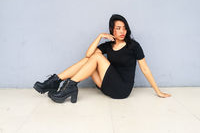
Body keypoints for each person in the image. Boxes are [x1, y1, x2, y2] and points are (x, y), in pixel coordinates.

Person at [33, 14, 171, 103]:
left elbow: (145, 68)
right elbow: (88, 55)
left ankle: (67, 86)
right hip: (106, 87)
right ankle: (56, 81)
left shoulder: (133, 46)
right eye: (118, 28)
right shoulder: (108, 46)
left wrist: (157, 91)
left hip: (122, 89)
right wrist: (99, 36)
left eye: (124, 28)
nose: (122, 31)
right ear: (112, 30)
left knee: (96, 57)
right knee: (91, 58)